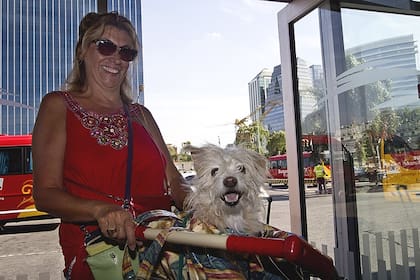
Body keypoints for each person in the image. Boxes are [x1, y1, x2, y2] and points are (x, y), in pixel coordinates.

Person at [32, 12, 191, 279]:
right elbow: (45, 194)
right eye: (106, 46)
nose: (116, 58)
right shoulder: (58, 105)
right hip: (99, 256)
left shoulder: (142, 114)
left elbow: (174, 180)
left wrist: (202, 204)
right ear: (83, 50)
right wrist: (100, 210)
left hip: (162, 249)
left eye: (126, 52)